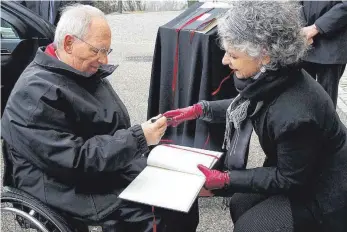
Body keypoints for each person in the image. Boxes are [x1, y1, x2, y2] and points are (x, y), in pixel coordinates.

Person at [1, 4, 198, 232]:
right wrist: (138, 138)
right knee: (155, 215)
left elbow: (109, 129)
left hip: (96, 165)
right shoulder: (35, 94)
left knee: (182, 194)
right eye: (98, 50)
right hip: (58, 182)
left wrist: (142, 137)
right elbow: (75, 161)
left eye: (107, 51)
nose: (103, 60)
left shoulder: (77, 70)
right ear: (68, 43)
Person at [164, 1, 347, 232]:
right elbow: (250, 104)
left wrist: (226, 179)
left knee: (251, 225)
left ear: (265, 56)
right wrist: (200, 110)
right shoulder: (279, 74)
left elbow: (289, 179)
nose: (224, 61)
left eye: (233, 55)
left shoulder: (296, 114)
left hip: (322, 191)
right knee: (241, 201)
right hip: (301, 169)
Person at [300, 1, 347, 108]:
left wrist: (316, 27)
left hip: (332, 44)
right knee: (302, 96)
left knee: (326, 101)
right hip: (305, 42)